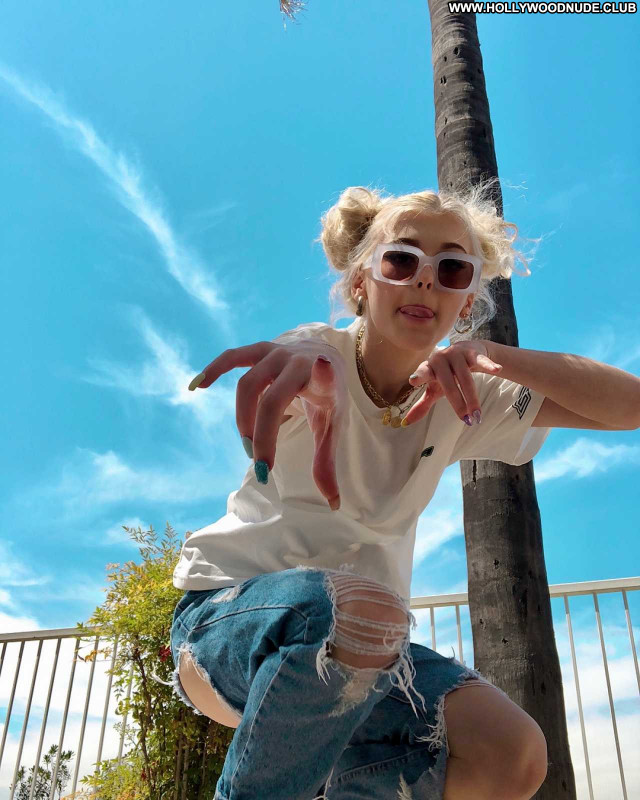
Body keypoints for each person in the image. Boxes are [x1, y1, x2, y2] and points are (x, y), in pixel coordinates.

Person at [167, 181, 637, 800]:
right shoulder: (320, 358)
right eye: (401, 260)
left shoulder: (465, 394)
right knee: (362, 612)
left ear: (465, 300)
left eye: (452, 269)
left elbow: (629, 407)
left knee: (512, 753)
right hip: (225, 625)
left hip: (368, 651)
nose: (425, 280)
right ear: (361, 282)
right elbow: (297, 357)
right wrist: (302, 360)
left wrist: (493, 356)